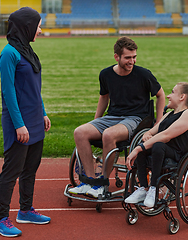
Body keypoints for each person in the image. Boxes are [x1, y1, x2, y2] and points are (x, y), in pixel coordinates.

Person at [69, 36, 166, 198]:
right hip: (112, 116)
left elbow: (161, 95)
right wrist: (95, 120)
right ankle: (89, 182)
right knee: (80, 132)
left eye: (134, 57)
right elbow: (104, 97)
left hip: (136, 118)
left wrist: (158, 121)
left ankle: (102, 184)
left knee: (109, 134)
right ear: (116, 57)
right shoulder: (106, 74)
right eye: (128, 57)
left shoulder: (143, 74)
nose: (132, 61)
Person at [0, 7, 51, 238]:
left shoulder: (28, 51)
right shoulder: (9, 53)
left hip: (35, 119)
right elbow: (8, 92)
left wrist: (43, 113)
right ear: (27, 26)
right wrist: (19, 125)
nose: (40, 29)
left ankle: (25, 210)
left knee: (30, 169)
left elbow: (35, 89)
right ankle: (0, 219)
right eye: (38, 25)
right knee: (12, 170)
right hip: (20, 123)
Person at [124, 82, 188, 208]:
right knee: (146, 147)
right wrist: (146, 135)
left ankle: (153, 188)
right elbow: (153, 130)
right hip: (164, 151)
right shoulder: (169, 114)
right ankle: (144, 189)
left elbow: (166, 135)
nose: (168, 96)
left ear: (182, 97)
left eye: (172, 92)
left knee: (156, 145)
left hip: (180, 155)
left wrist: (139, 147)